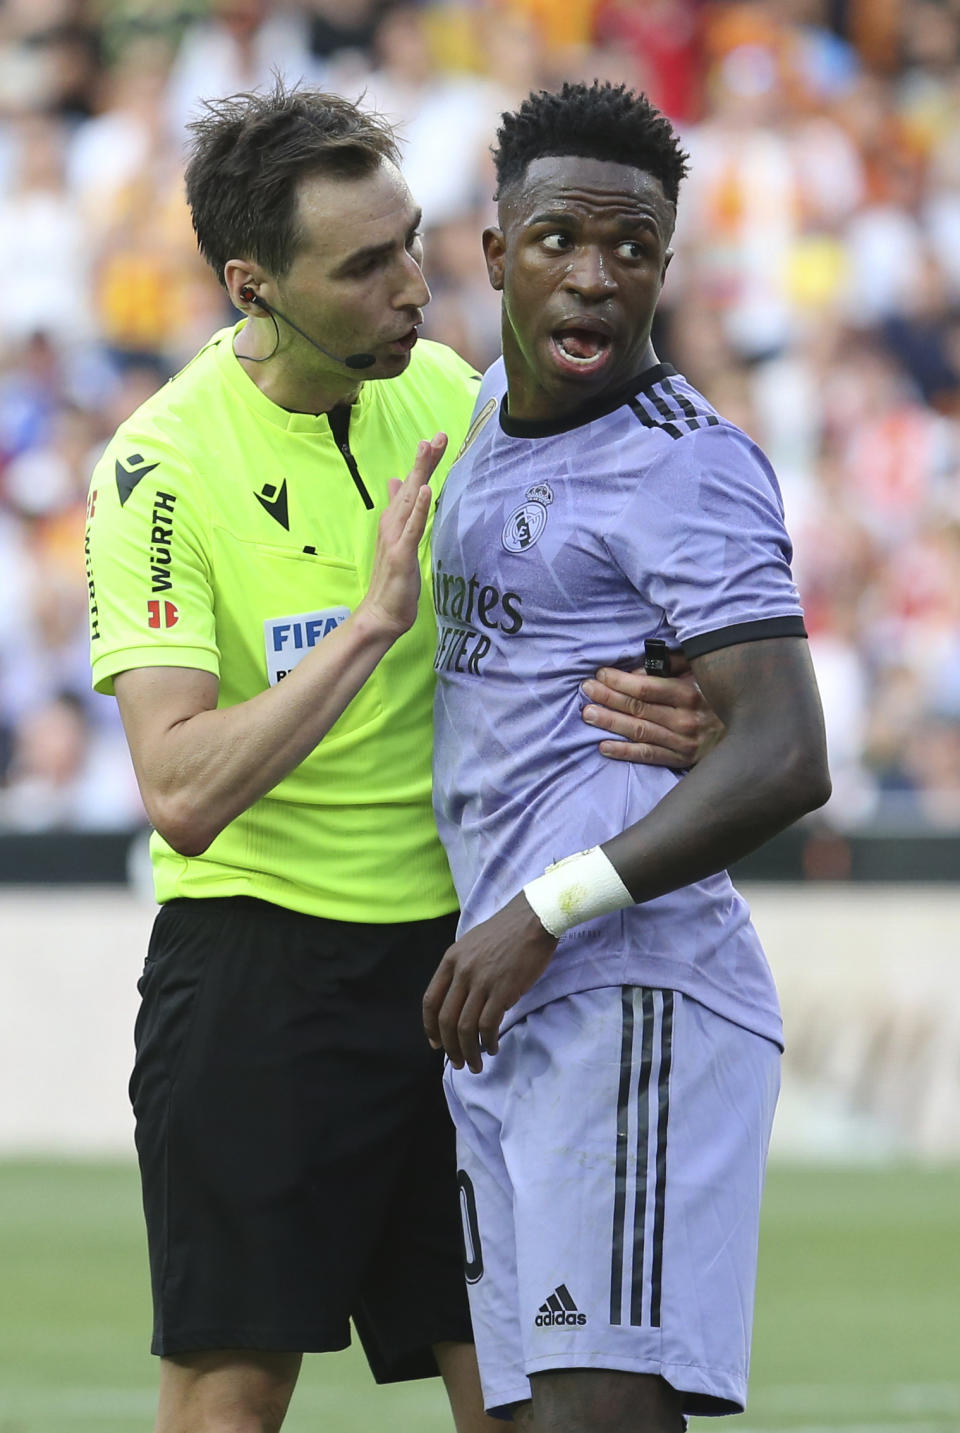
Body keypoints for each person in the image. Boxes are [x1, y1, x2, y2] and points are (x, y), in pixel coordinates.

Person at [83, 82, 712, 1433]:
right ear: (254, 284)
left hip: (461, 970)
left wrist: (682, 703)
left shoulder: (454, 398)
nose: (415, 289)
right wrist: (367, 630)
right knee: (230, 1402)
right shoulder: (159, 469)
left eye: (412, 244)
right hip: (260, 975)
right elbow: (179, 789)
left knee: (519, 1394)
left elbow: (594, 604)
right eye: (363, 267)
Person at [423, 81, 832, 1432]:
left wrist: (549, 905)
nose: (595, 278)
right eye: (558, 242)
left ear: (668, 260)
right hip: (505, 1007)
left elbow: (784, 752)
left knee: (601, 1412)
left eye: (633, 248)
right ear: (494, 254)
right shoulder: (474, 418)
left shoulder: (690, 465)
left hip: (628, 992)